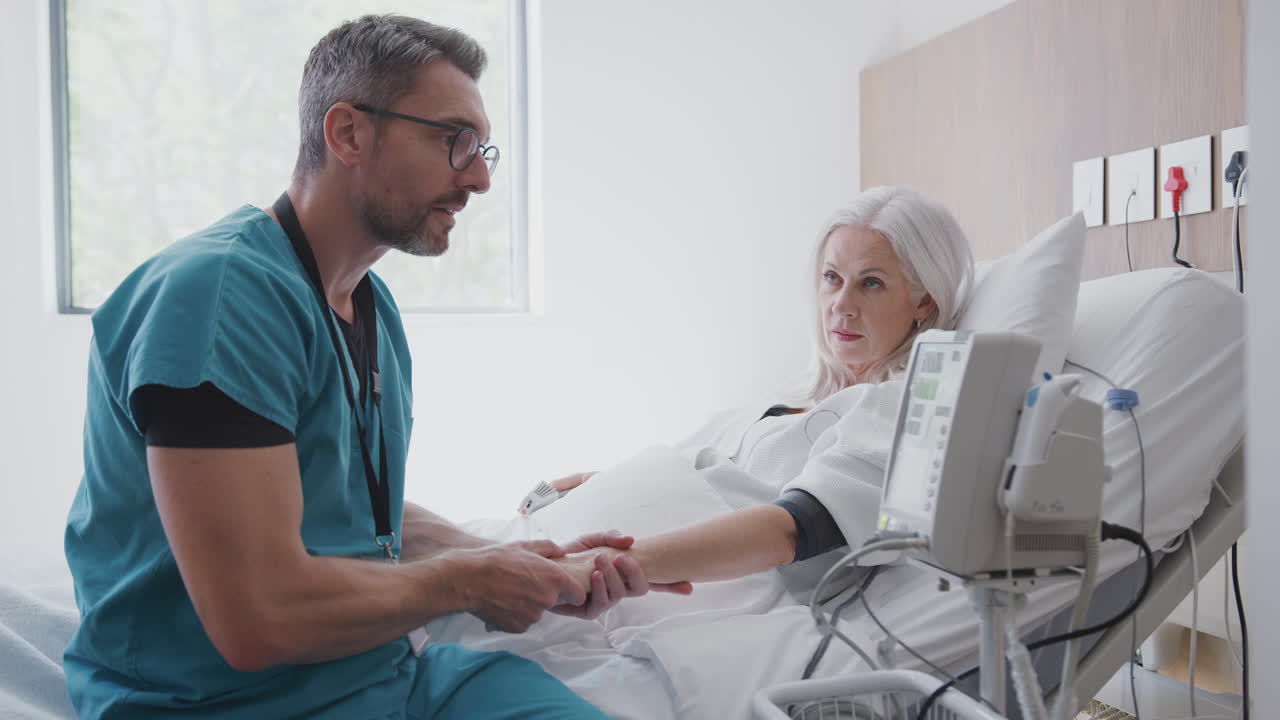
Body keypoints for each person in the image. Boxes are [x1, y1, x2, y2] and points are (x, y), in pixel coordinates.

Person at [62, 15, 688, 720]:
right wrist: (468, 581)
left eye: (483, 149)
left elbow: (348, 511)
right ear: (348, 133)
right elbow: (257, 617)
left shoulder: (368, 304)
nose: (479, 177)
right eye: (453, 141)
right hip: (224, 705)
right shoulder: (216, 298)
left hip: (391, 679)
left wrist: (520, 561)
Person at [550, 186, 974, 589]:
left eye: (871, 283)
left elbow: (791, 530)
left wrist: (611, 566)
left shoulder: (901, 406)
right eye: (832, 277)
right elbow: (697, 474)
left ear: (924, 301)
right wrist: (605, 483)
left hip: (632, 582)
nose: (841, 305)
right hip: (580, 543)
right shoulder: (794, 397)